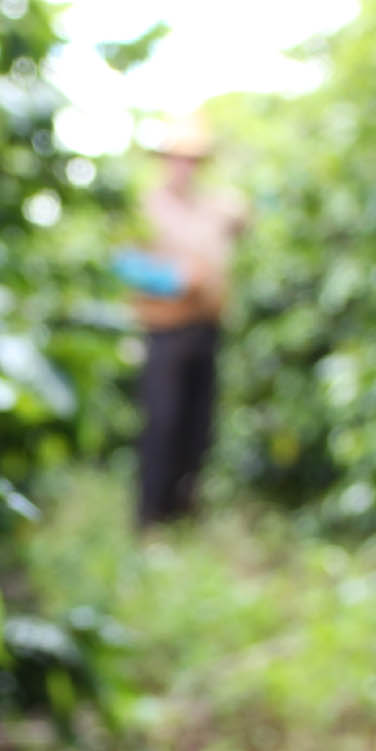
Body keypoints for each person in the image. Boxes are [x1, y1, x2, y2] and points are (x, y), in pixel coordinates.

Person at [119, 115, 248, 528]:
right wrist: (174, 279)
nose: (184, 167)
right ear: (164, 161)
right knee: (163, 422)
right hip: (164, 331)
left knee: (198, 424)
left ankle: (183, 510)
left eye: (192, 160)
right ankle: (150, 515)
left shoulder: (213, 206)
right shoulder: (145, 207)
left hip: (206, 329)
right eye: (178, 159)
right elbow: (123, 264)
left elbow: (243, 220)